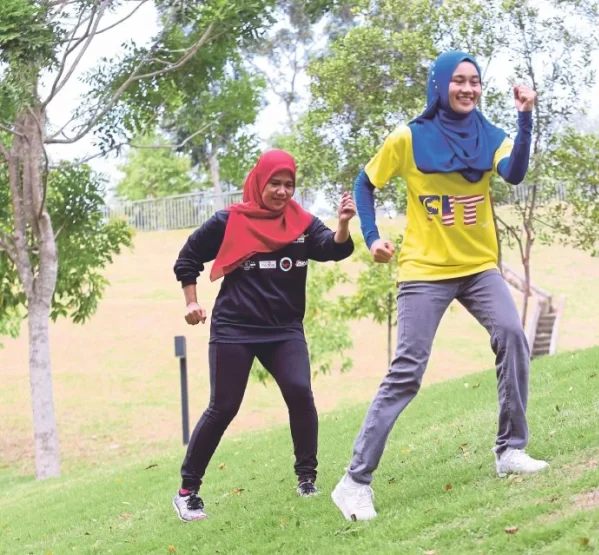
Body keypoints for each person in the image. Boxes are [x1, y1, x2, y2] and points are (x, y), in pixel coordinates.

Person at [331, 51, 548, 521]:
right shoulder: (408, 138)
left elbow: (513, 173)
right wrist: (372, 239)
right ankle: (354, 481)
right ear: (440, 84)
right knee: (407, 371)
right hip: (425, 271)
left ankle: (510, 450)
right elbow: (365, 183)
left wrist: (526, 117)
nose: (468, 89)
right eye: (459, 81)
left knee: (512, 335)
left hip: (477, 267)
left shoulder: (492, 136)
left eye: (474, 82)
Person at [171, 149, 355, 522]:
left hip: (284, 329)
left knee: (300, 391)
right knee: (223, 406)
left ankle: (307, 478)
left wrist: (343, 225)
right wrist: (191, 302)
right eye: (275, 183)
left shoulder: (302, 223)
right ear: (260, 181)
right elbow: (188, 257)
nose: (283, 191)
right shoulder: (229, 221)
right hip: (235, 328)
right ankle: (188, 491)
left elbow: (330, 249)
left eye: (289, 184)